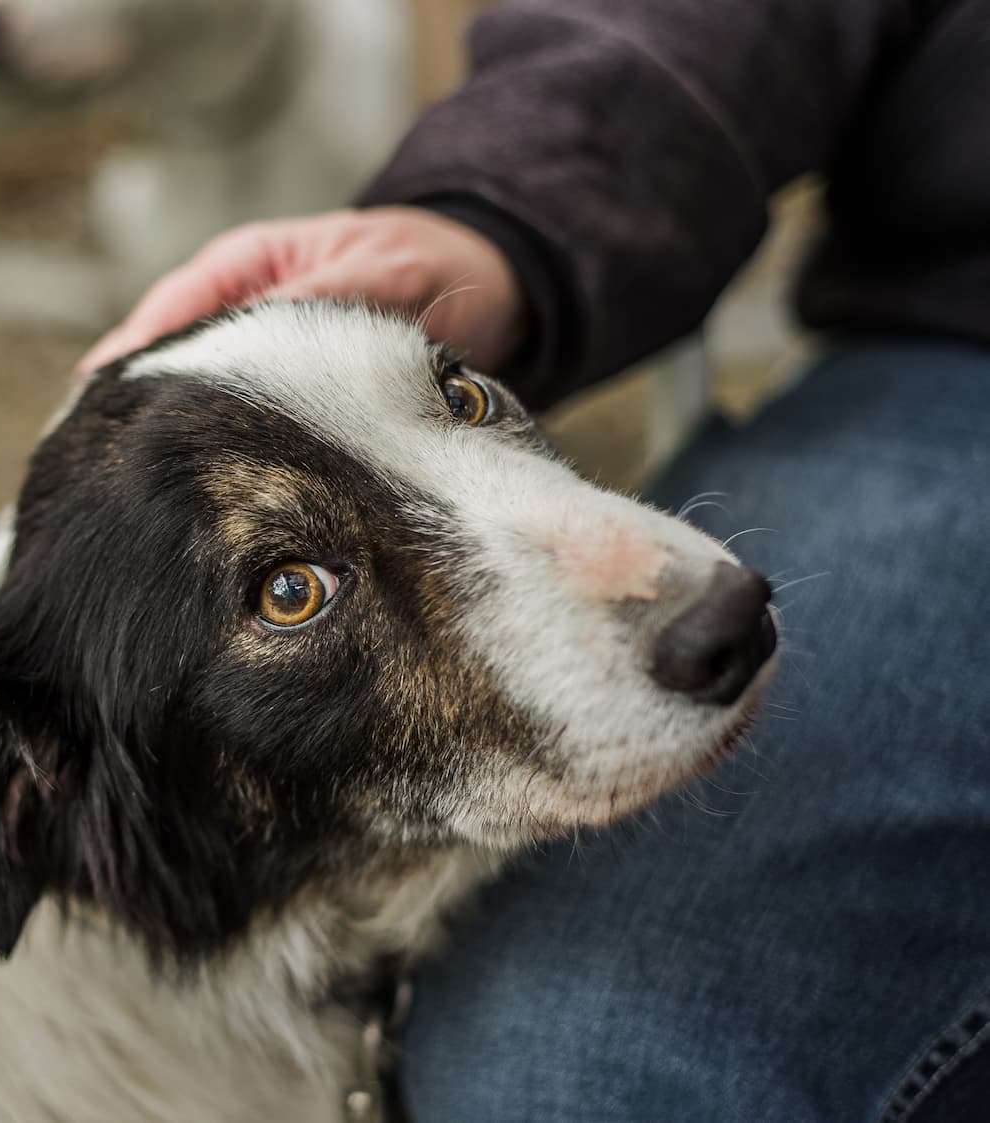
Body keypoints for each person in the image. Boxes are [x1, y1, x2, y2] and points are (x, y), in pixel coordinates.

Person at [78, 1, 990, 1119]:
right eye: (291, 586)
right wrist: (500, 215)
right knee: (574, 1074)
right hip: (955, 349)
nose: (686, 585)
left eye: (459, 396)